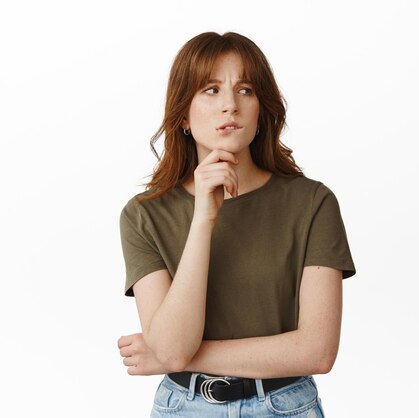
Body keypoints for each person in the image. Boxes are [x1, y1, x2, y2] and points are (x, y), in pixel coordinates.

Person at [116, 31, 356, 417]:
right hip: (184, 407)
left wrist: (175, 357)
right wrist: (204, 218)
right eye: (211, 90)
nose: (230, 104)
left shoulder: (312, 203)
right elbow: (173, 347)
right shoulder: (145, 215)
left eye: (245, 90)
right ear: (183, 116)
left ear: (261, 110)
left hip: (285, 407)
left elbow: (317, 351)